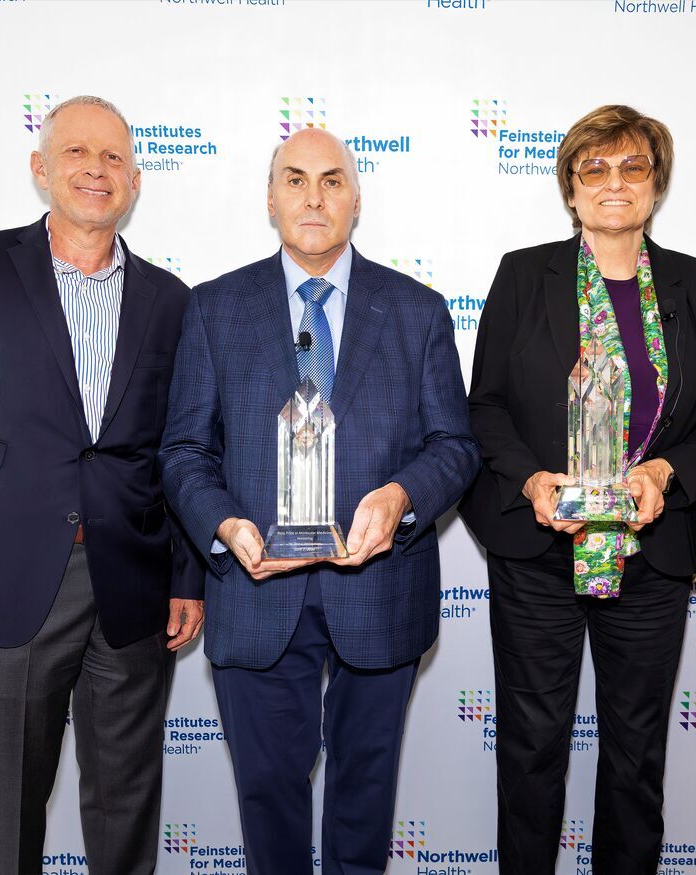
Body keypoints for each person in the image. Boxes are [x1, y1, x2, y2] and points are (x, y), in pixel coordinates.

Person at [0, 95, 204, 875]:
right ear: (41, 168)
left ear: (135, 180)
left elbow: (181, 449)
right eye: (79, 153)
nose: (97, 169)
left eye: (115, 157)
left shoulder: (171, 300)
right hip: (1, 573)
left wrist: (188, 575)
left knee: (126, 803)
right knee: (6, 805)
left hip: (132, 580)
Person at [158, 127, 479, 875]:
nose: (313, 195)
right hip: (254, 590)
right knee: (267, 796)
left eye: (332, 180)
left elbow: (455, 447)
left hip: (380, 588)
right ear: (269, 198)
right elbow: (183, 451)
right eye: (295, 179)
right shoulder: (213, 308)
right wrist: (225, 524)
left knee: (364, 798)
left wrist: (400, 497)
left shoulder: (417, 310)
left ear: (356, 199)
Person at [459, 104, 696, 874]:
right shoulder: (524, 273)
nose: (613, 183)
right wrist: (530, 478)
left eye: (631, 168)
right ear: (571, 189)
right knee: (529, 750)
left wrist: (663, 471)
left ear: (655, 185)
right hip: (538, 549)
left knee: (633, 756)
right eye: (594, 169)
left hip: (650, 557)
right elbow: (483, 404)